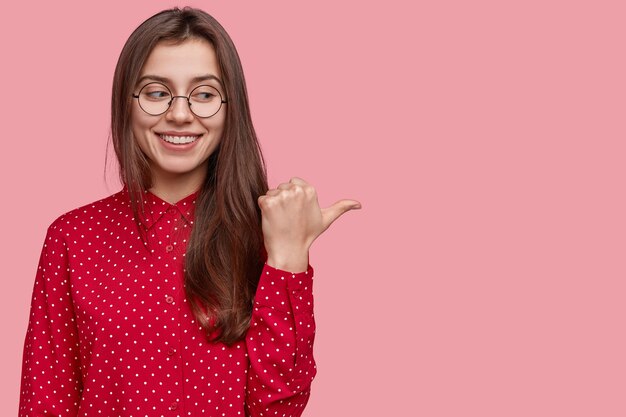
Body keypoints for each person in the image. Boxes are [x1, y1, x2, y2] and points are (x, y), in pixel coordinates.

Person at [18, 7, 360, 417]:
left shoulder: (265, 232)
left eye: (204, 94)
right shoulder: (73, 237)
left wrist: (288, 257)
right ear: (127, 103)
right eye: (157, 92)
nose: (180, 114)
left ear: (230, 107)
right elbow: (45, 401)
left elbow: (278, 408)